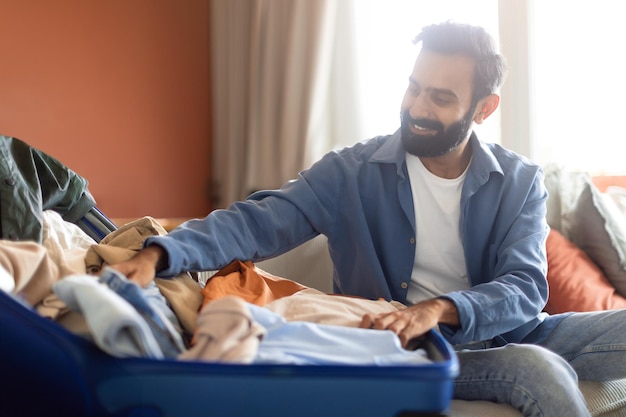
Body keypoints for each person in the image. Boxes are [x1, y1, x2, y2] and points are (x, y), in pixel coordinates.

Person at [111, 21, 626, 416]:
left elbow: (525, 286)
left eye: (440, 97)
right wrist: (161, 252)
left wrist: (440, 307)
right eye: (414, 87)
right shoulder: (351, 173)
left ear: (484, 109)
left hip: (511, 329)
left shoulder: (519, 181)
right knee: (538, 370)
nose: (417, 107)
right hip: (413, 346)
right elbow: (257, 221)